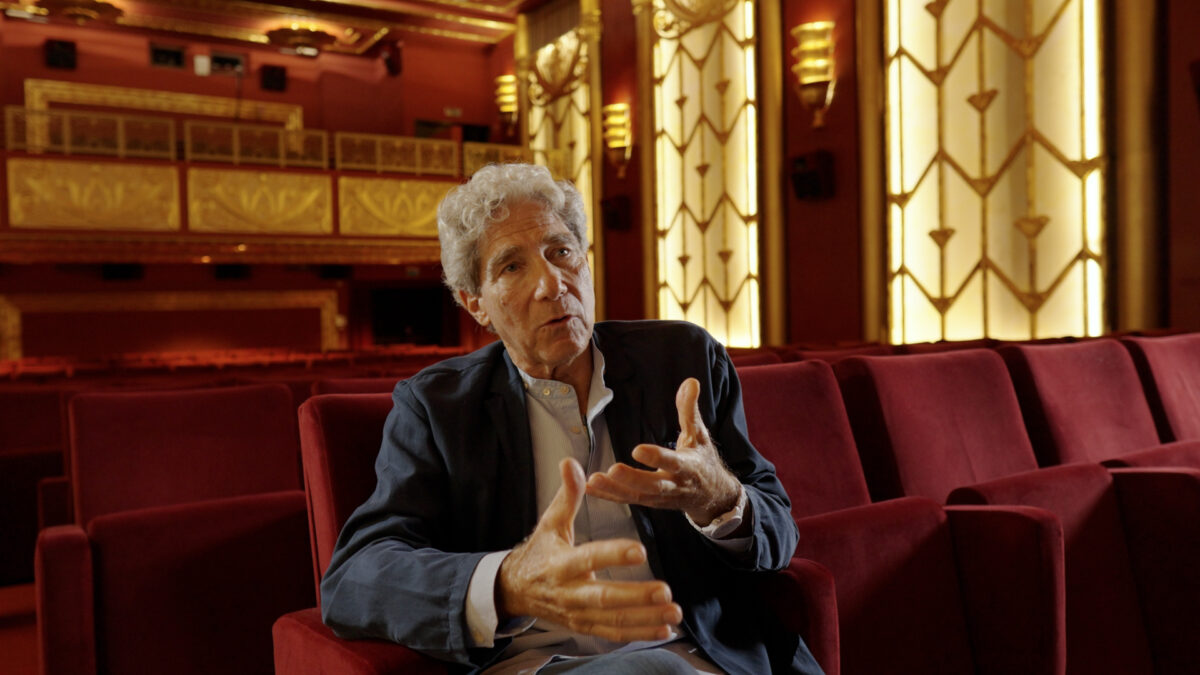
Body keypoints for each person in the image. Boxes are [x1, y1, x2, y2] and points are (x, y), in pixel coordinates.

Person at [320, 163, 822, 675]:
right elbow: (354, 578)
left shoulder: (682, 359)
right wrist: (509, 582)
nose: (551, 284)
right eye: (511, 267)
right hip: (541, 664)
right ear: (476, 304)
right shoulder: (437, 408)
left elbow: (779, 533)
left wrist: (720, 497)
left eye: (561, 252)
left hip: (706, 654)